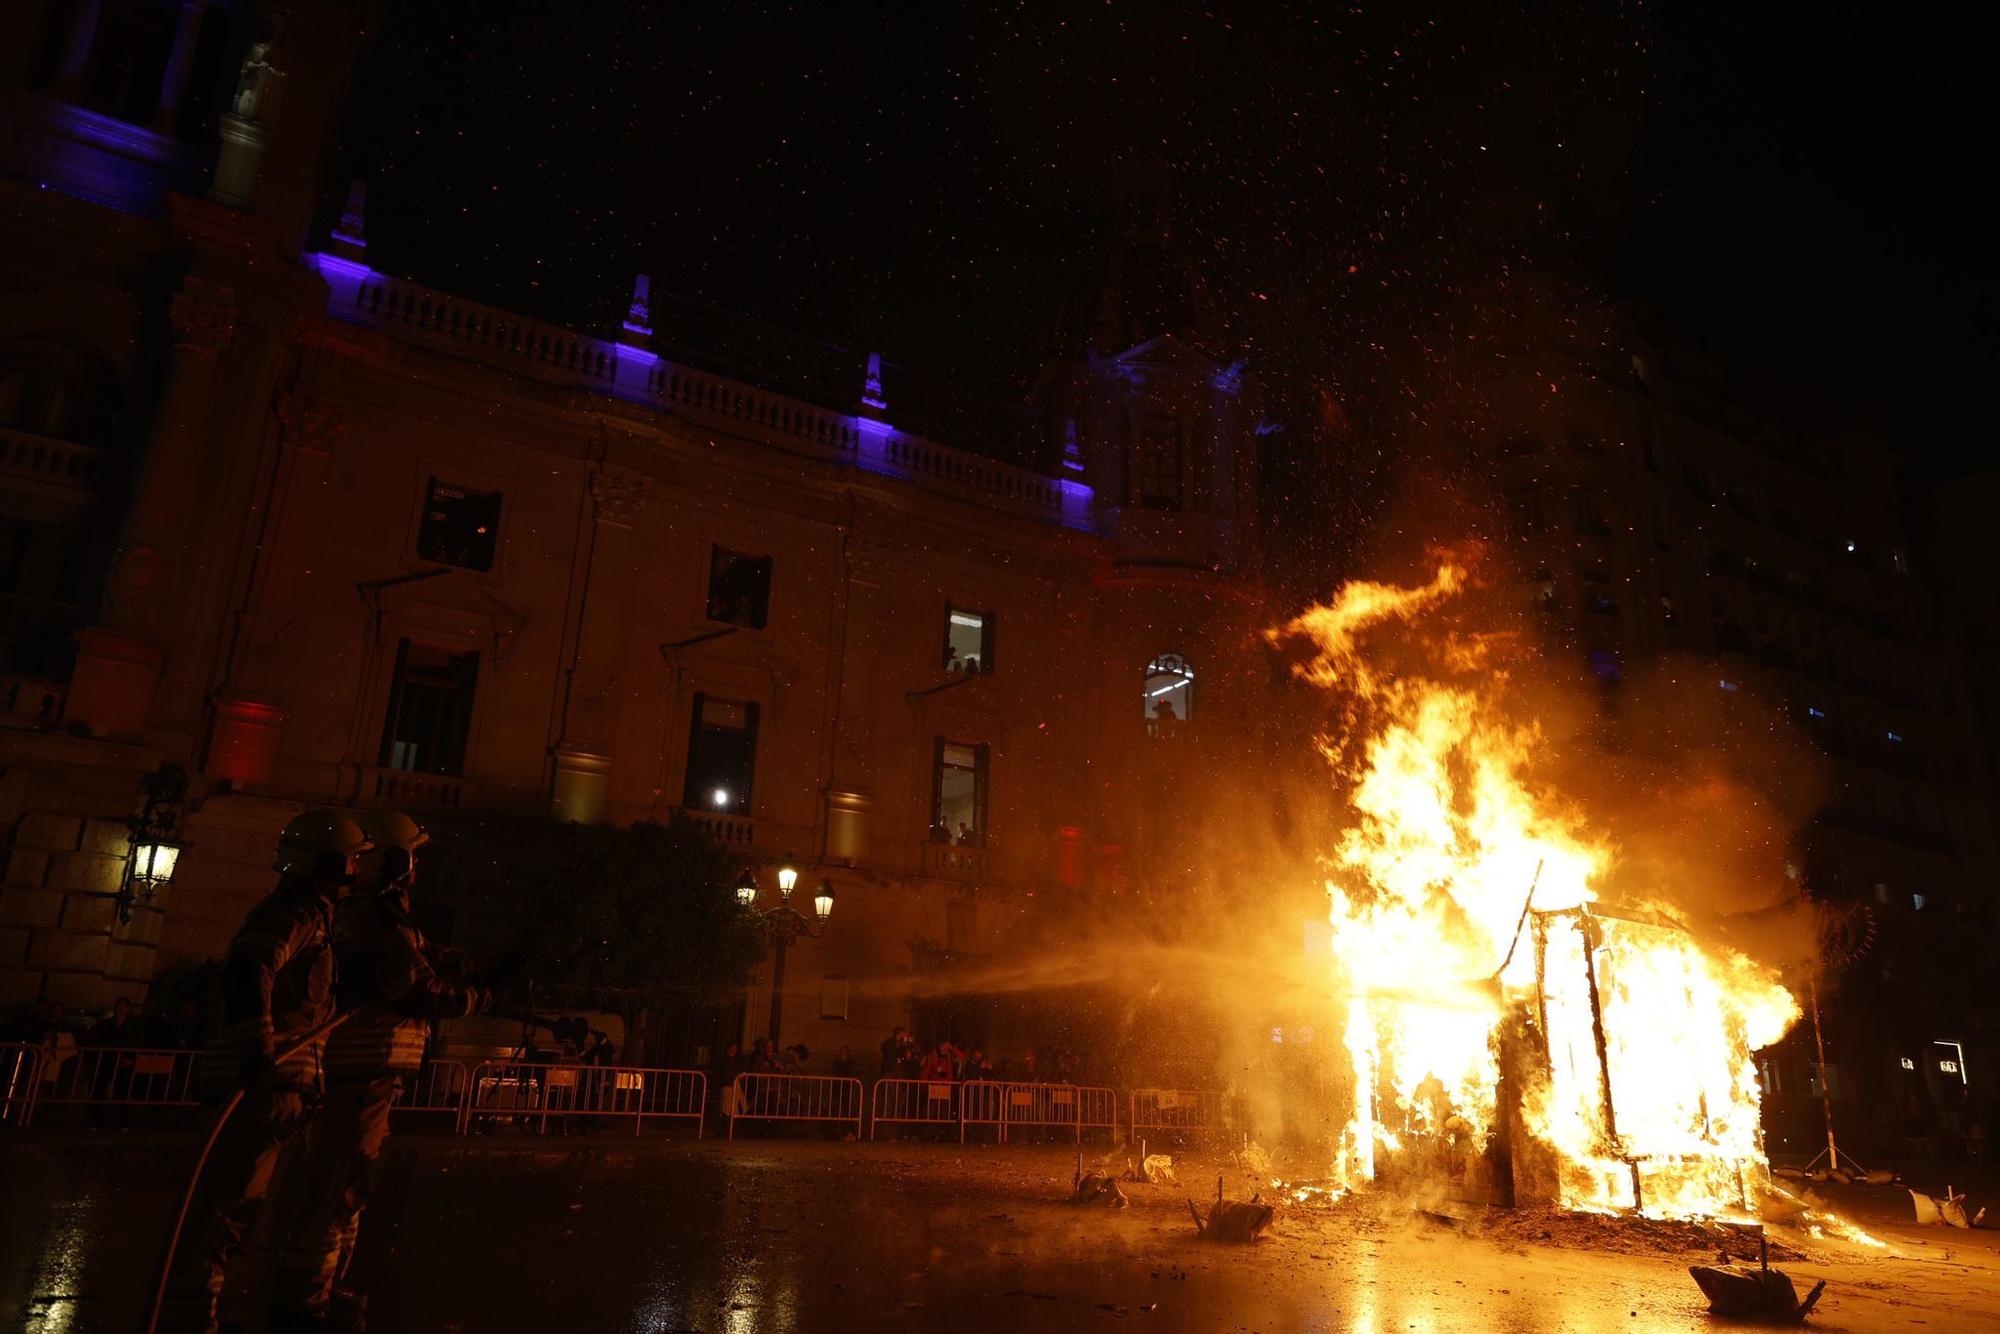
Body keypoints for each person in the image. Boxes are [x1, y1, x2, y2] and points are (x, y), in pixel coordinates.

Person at [272, 809, 492, 1331]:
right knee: (343, 1185)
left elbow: (410, 961)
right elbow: (414, 990)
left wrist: (455, 958)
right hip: (363, 1068)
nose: (416, 867)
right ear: (394, 860)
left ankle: (321, 1287)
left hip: (362, 1070)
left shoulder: (365, 911)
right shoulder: (379, 911)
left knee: (348, 1186)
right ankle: (308, 1300)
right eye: (410, 856)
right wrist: (479, 996)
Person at [162, 809, 373, 1334]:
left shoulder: (310, 917)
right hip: (257, 1088)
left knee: (237, 1215)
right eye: (349, 861)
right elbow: (250, 970)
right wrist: (258, 1054)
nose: (354, 873)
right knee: (223, 1214)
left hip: (273, 1088)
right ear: (325, 864)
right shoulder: (292, 912)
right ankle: (190, 1323)